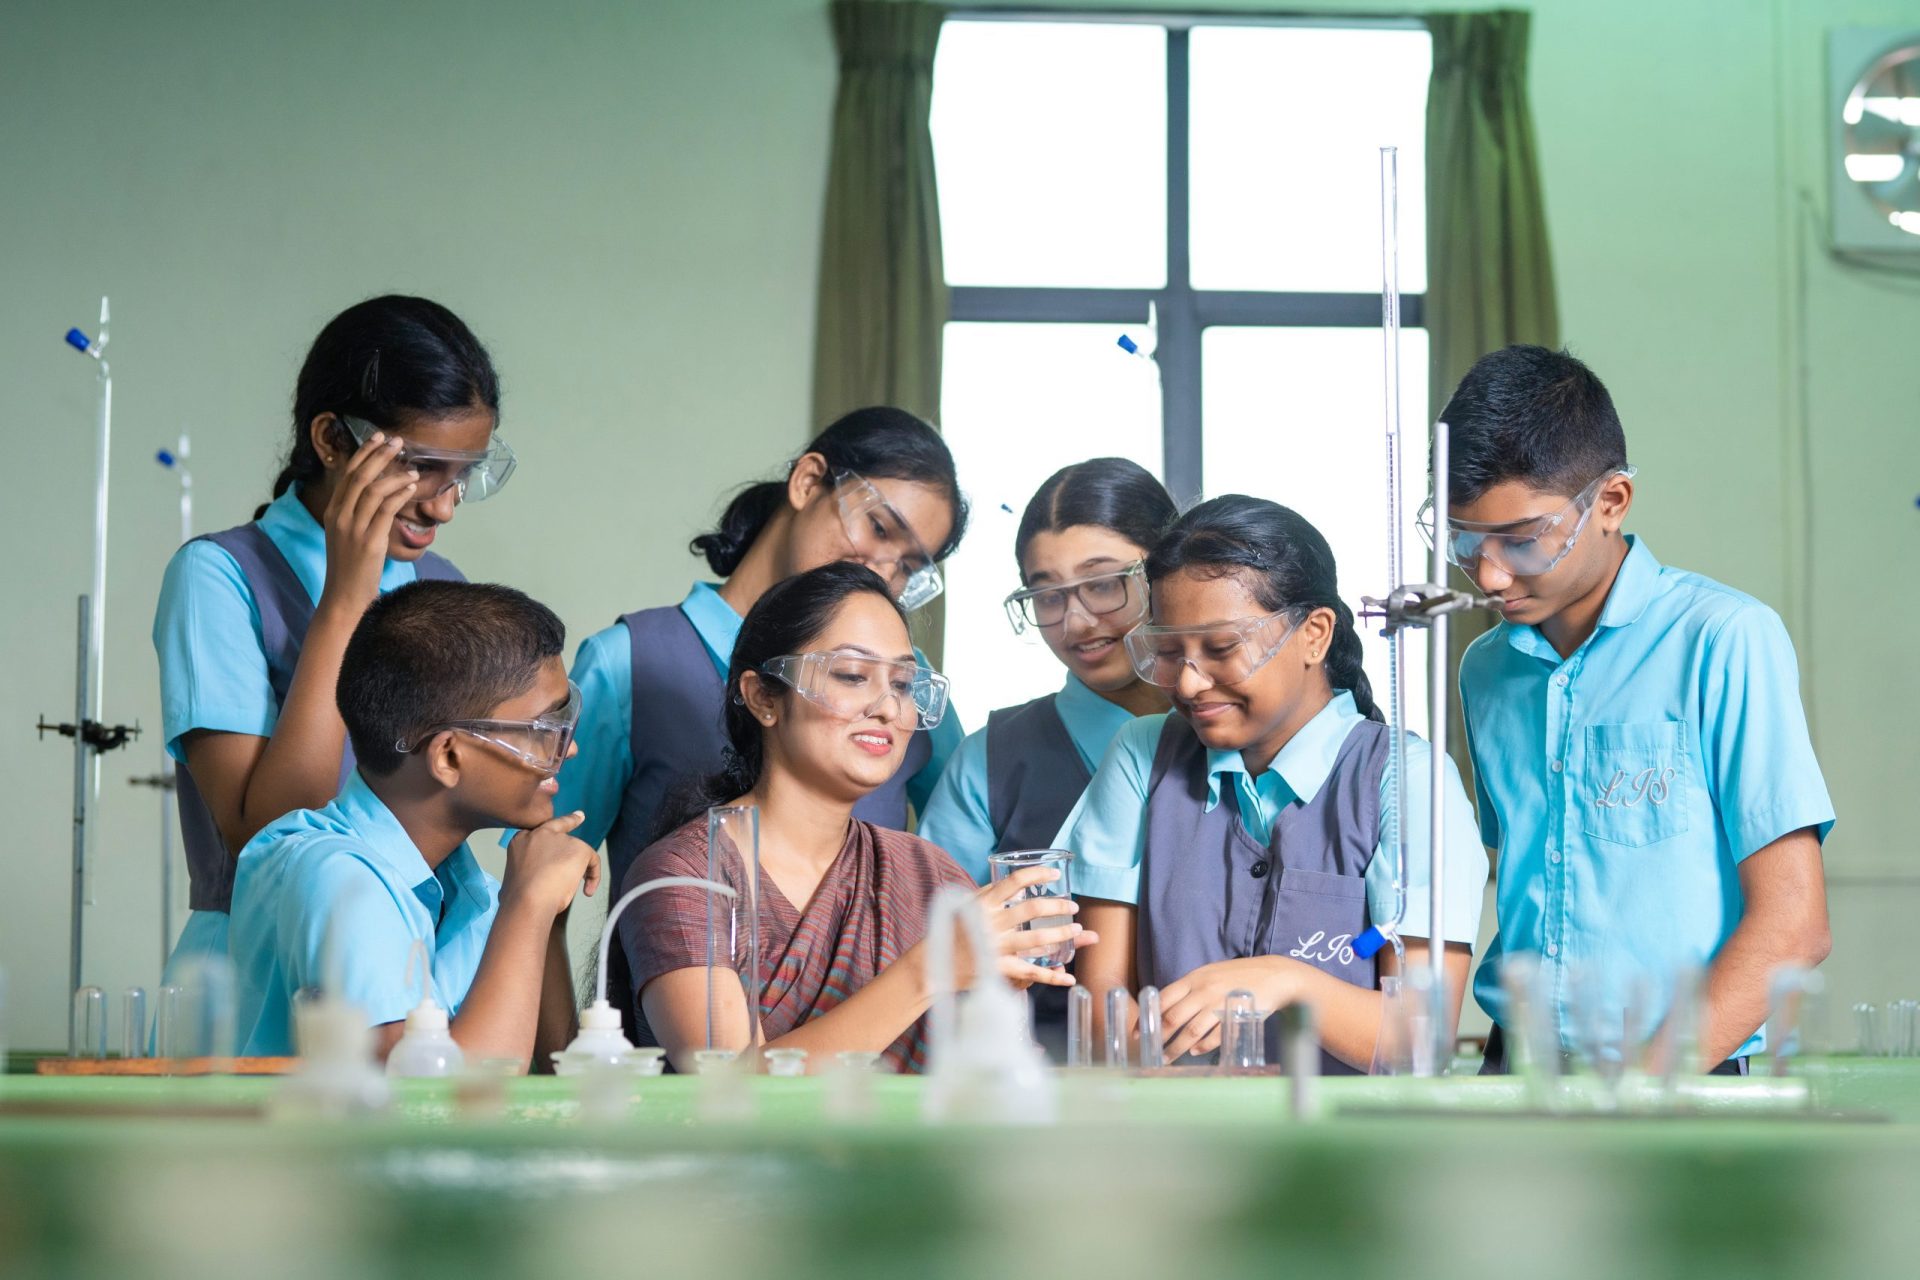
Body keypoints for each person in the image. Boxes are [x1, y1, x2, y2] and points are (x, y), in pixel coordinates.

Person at [1439, 345, 1833, 1074]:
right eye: (1464, 541)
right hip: (1516, 1071)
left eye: (1522, 542)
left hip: (1679, 1076)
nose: (1490, 575)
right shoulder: (1485, 670)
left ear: (1611, 503)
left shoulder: (1722, 640)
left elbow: (1794, 926)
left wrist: (1640, 1093)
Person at [154, 295, 514, 987]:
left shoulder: (440, 585)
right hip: (263, 966)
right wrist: (346, 597)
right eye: (420, 466)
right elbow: (269, 836)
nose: (443, 505)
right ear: (333, 440)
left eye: (463, 474)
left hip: (414, 954)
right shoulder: (220, 577)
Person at [1060, 497, 1486, 1072]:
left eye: (1222, 649)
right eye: (1166, 651)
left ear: (1314, 635)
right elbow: (1101, 1015)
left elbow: (1419, 1042)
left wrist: (1288, 980)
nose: (1187, 682)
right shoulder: (1142, 756)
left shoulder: (1406, 782)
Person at [617, 562, 1091, 1074]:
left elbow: (993, 1082)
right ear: (763, 697)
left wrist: (1000, 998)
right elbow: (734, 1089)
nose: (888, 707)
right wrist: (931, 970)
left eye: (906, 684)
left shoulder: (928, 874)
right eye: (851, 675)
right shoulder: (687, 874)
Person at [556, 407, 970, 896]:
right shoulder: (630, 662)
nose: (882, 573)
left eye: (908, 565)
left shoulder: (904, 687)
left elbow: (960, 873)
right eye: (878, 528)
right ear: (809, 481)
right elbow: (544, 884)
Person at [229, 581, 599, 1062]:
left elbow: (552, 1082)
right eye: (544, 731)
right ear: (447, 756)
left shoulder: (473, 897)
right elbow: (430, 1107)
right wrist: (528, 907)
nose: (567, 749)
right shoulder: (339, 879)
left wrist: (543, 915)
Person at [920, 458, 1178, 882]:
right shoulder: (987, 764)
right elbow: (933, 934)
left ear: (1168, 570)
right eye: (1047, 594)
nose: (1076, 622)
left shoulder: (1239, 728)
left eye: (1103, 583)